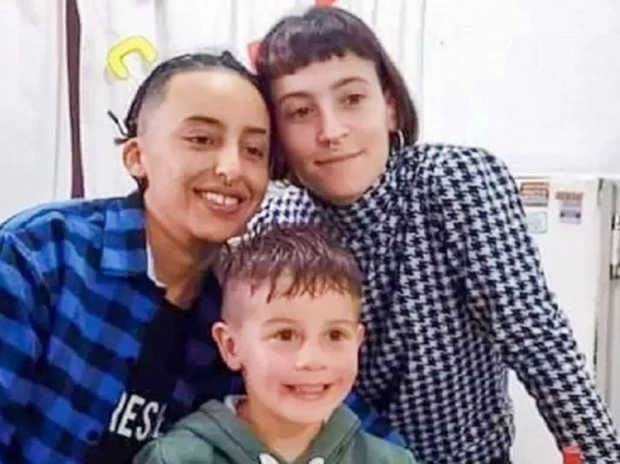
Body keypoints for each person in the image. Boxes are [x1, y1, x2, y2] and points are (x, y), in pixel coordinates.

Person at [249, 6, 620, 464]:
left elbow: (533, 334)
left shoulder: (451, 182)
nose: (332, 131)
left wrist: (602, 455)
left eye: (352, 99)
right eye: (301, 111)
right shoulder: (279, 221)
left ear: (389, 106)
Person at [0, 51, 274, 463]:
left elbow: (330, 406)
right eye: (201, 139)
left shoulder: (243, 302)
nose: (232, 168)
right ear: (136, 156)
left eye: (254, 150)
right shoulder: (42, 254)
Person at [133, 224, 416, 464]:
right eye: (285, 335)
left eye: (334, 335)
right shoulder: (175, 459)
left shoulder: (391, 460)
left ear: (357, 343)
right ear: (231, 347)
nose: (312, 360)